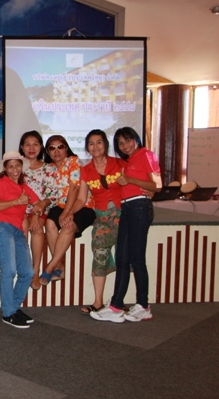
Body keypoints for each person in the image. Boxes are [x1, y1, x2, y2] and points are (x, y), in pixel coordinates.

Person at [91, 127, 162, 323]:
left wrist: (130, 179)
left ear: (136, 139)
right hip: (126, 208)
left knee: (137, 259)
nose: (125, 146)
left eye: (128, 140)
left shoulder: (146, 154)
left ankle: (144, 305)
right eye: (121, 143)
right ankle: (115, 306)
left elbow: (157, 185)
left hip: (140, 207)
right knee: (122, 258)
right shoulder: (128, 161)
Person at [0, 151, 40, 329]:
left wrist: (36, 215)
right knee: (9, 270)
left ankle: (13, 308)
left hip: (17, 230)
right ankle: (8, 313)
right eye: (10, 166)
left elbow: (39, 203)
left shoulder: (24, 187)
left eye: (17, 165)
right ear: (5, 169)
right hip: (0, 226)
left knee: (28, 272)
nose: (15, 169)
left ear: (22, 166)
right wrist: (17, 202)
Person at [38, 135, 96, 285]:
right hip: (60, 206)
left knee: (68, 225)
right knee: (50, 223)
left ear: (66, 148)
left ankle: (51, 266)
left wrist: (67, 212)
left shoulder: (73, 161)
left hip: (82, 206)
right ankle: (59, 266)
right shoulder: (49, 167)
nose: (56, 151)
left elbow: (74, 189)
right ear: (47, 151)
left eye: (60, 147)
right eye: (52, 148)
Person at [80, 130, 124, 314]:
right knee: (99, 257)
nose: (95, 146)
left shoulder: (120, 164)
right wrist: (67, 214)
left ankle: (119, 301)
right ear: (87, 147)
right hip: (102, 219)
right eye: (91, 143)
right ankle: (98, 302)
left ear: (105, 144)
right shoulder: (85, 170)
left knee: (125, 258)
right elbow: (81, 199)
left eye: (99, 142)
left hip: (123, 216)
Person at [18, 131, 50, 290]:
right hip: (19, 209)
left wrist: (37, 213)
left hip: (41, 208)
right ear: (22, 147)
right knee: (22, 226)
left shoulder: (48, 168)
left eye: (35, 144)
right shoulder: (16, 167)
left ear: (41, 147)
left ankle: (35, 271)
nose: (31, 148)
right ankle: (25, 269)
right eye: (27, 145)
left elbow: (51, 194)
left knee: (37, 230)